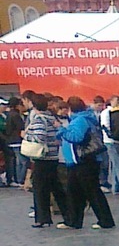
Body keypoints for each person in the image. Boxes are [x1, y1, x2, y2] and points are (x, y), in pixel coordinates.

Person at [57, 96, 114, 230]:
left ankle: (104, 220)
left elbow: (76, 137)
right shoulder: (86, 118)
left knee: (90, 191)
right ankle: (74, 221)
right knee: (75, 191)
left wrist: (61, 130)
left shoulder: (79, 120)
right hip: (83, 160)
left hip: (83, 161)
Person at [23, 93, 67, 228]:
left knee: (40, 189)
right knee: (56, 187)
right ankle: (69, 213)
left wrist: (26, 136)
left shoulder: (39, 119)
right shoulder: (52, 117)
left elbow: (40, 137)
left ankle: (42, 218)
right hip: (53, 156)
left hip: (42, 157)